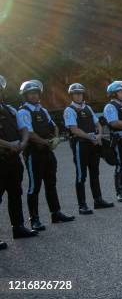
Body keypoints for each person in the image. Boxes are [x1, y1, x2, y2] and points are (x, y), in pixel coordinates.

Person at [17, 80, 75, 231]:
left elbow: (54, 126)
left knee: (51, 184)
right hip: (34, 154)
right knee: (34, 187)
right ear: (25, 95)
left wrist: (55, 137)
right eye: (31, 93)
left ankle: (55, 213)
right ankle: (34, 220)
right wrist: (47, 142)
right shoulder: (23, 112)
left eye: (36, 93)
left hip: (48, 153)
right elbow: (29, 133)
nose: (34, 95)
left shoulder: (42, 110)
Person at [63, 83, 114, 215]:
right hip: (80, 144)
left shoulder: (88, 108)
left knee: (95, 173)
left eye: (80, 93)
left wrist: (99, 135)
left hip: (93, 144)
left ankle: (98, 200)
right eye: (76, 94)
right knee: (81, 175)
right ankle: (82, 205)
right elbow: (74, 129)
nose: (79, 95)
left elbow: (97, 124)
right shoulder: (69, 110)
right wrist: (90, 137)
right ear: (72, 95)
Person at [0, 75, 38, 247]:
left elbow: (23, 129)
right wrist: (9, 145)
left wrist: (22, 143)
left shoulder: (11, 110)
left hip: (14, 160)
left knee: (15, 194)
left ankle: (18, 227)